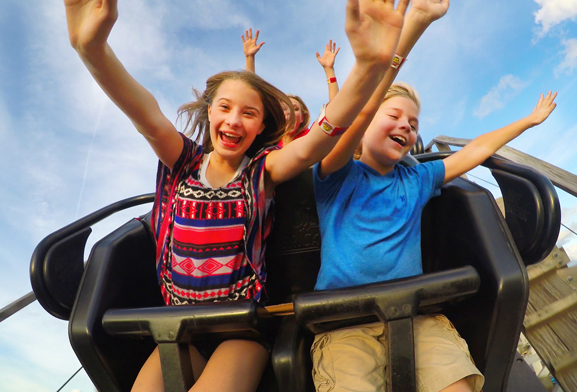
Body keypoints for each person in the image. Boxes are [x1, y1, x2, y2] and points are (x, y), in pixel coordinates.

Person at [63, 0, 411, 391]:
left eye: (249, 113)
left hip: (241, 330)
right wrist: (92, 50)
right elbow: (143, 111)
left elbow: (318, 140)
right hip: (178, 330)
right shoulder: (181, 161)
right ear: (209, 112)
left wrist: (367, 68)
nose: (233, 120)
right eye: (225, 108)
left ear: (262, 125)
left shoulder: (262, 170)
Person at [311, 1, 557, 391]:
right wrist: (416, 25)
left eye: (413, 124)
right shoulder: (336, 176)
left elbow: (474, 151)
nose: (405, 127)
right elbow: (358, 111)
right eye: (393, 116)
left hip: (415, 316)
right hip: (345, 325)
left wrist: (527, 121)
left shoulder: (418, 179)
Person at [241, 29, 340, 146]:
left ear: (303, 117)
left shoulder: (310, 137)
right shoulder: (266, 140)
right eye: (283, 109)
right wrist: (249, 58)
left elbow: (336, 111)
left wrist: (329, 70)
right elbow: (250, 100)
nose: (289, 113)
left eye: (295, 109)